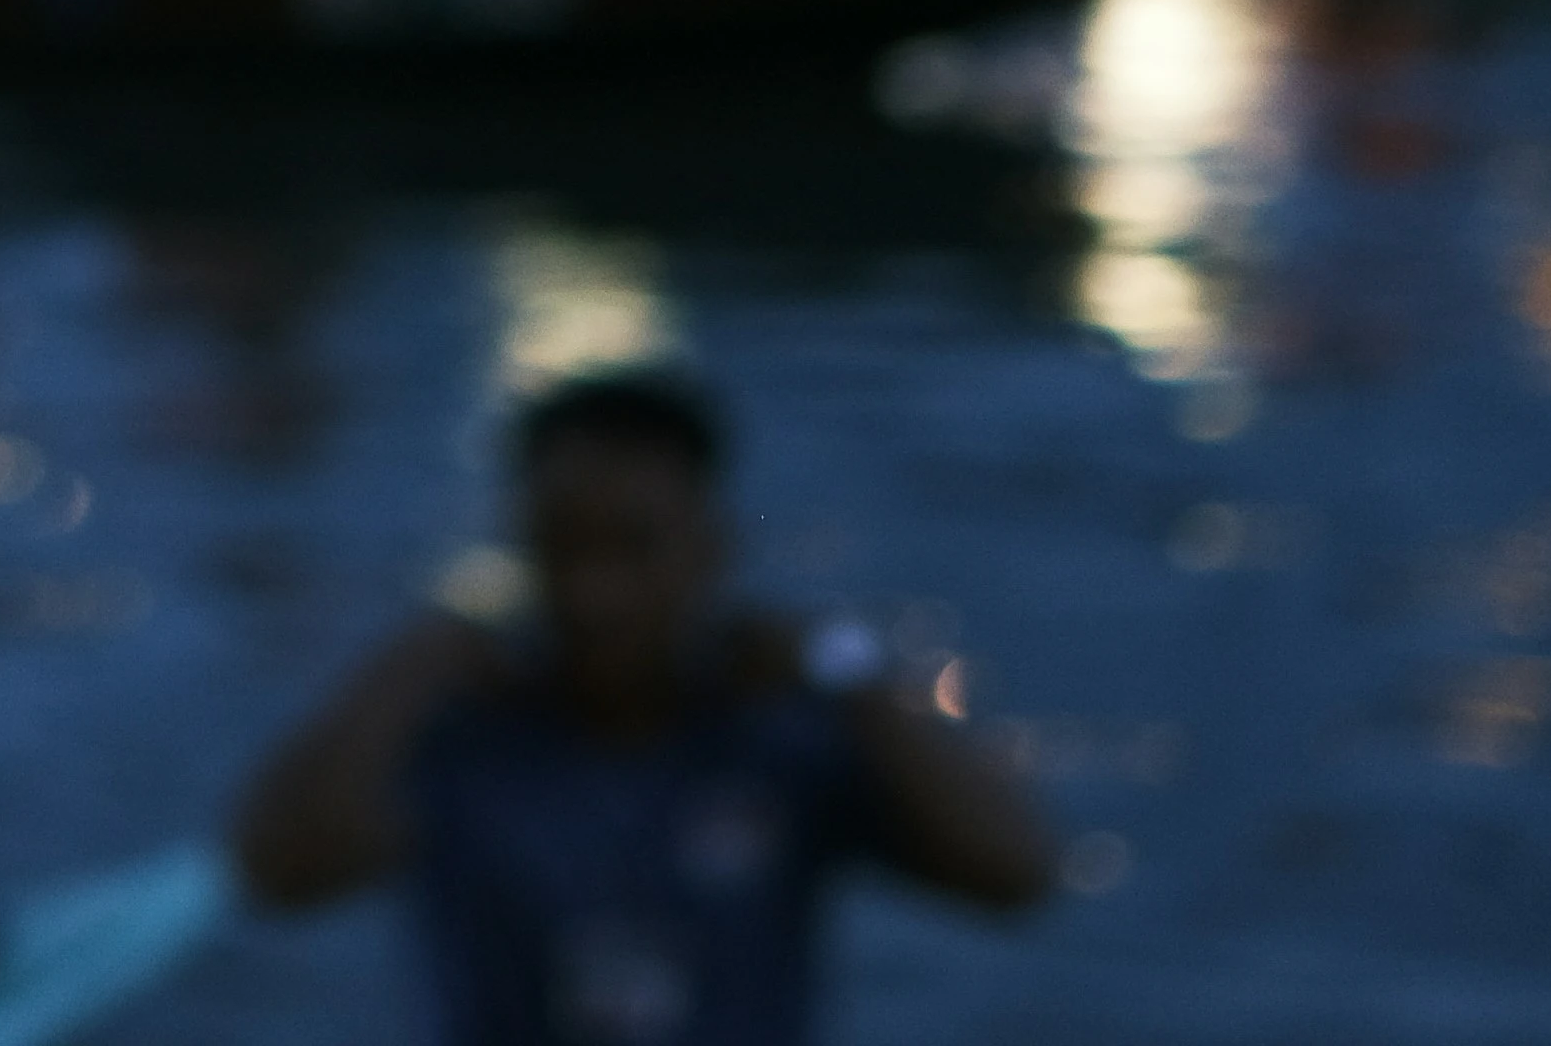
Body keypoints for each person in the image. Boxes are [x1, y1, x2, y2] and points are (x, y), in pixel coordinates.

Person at [233, 368, 1050, 1041]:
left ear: (710, 549)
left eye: (634, 549)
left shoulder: (781, 740)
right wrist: (400, 673)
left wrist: (847, 675)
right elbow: (273, 872)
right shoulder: (460, 742)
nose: (595, 595)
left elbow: (1016, 874)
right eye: (562, 550)